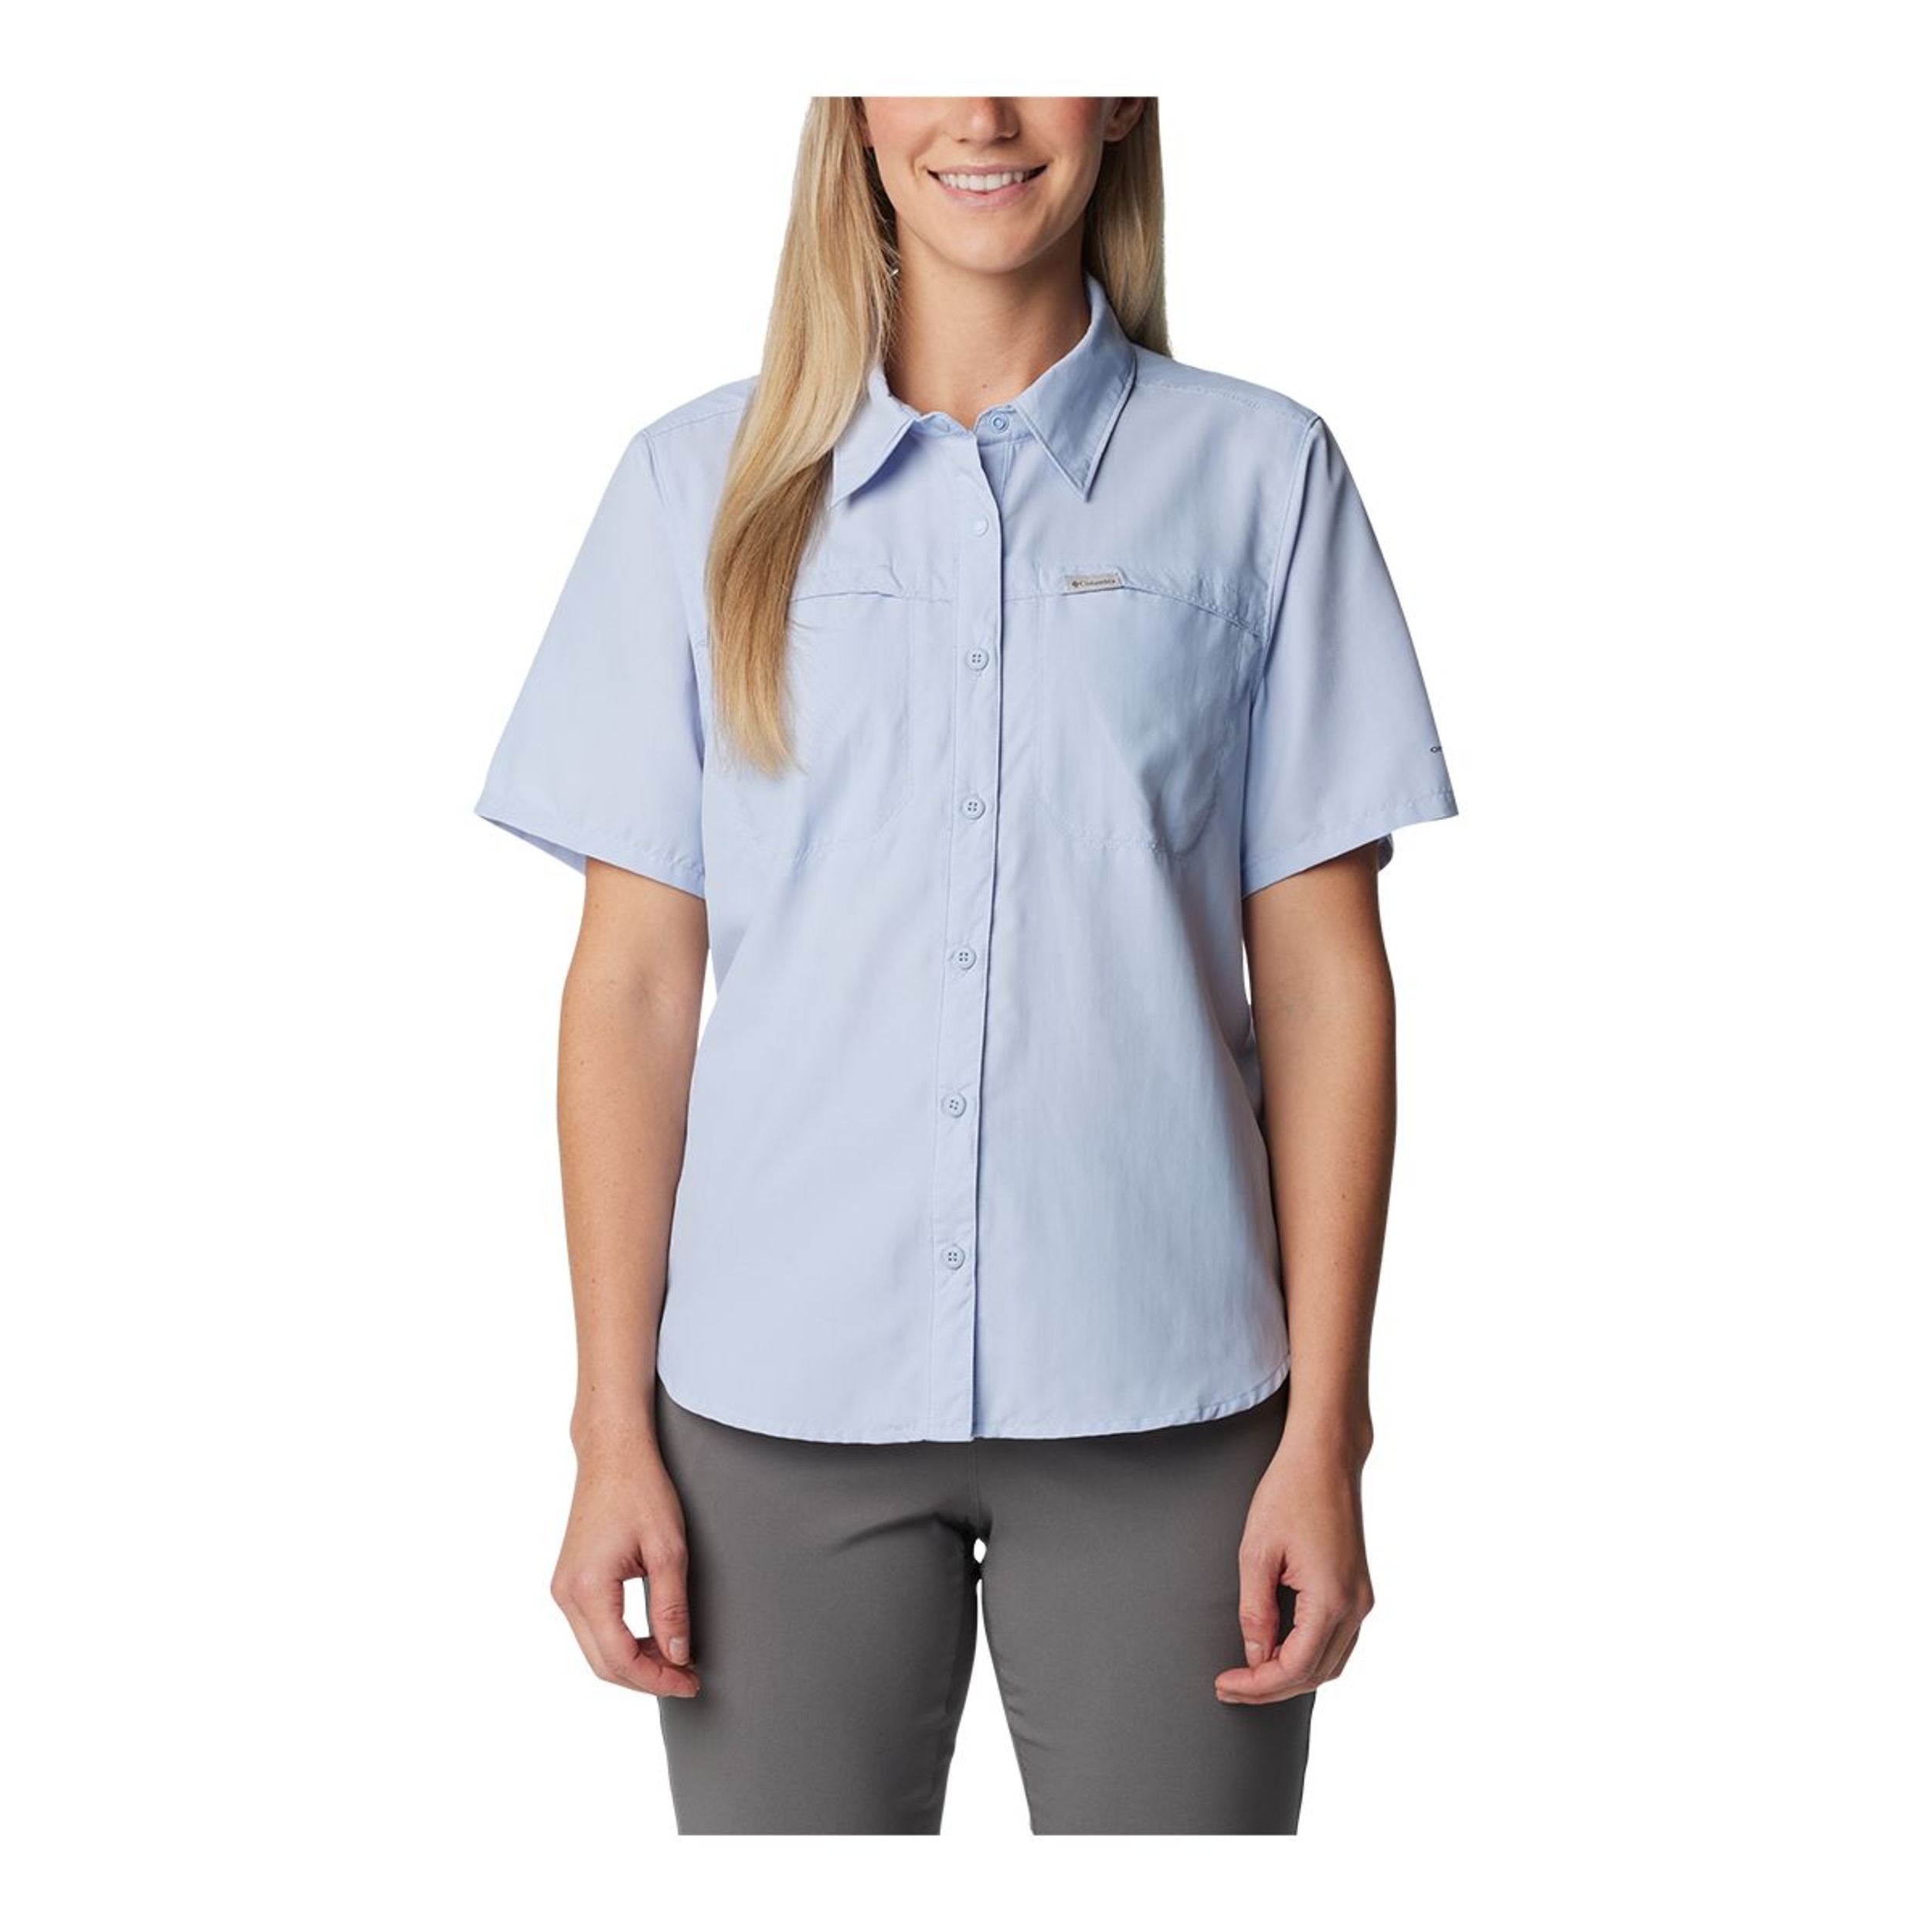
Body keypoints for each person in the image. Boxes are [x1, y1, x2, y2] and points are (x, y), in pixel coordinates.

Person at [472, 96, 1458, 1835]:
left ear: (1126, 95)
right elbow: (632, 986)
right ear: (853, 109)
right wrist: (606, 1429)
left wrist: (1330, 1433)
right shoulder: (690, 487)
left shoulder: (1264, 479)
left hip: (1171, 1407)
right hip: (771, 1413)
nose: (984, 113)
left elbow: (1323, 988)